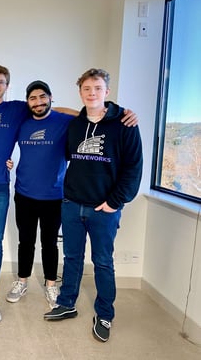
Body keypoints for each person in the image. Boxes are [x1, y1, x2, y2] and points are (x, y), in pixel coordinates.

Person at [0, 64, 80, 323]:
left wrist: (99, 110)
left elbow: (58, 111)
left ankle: (31, 287)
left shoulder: (19, 109)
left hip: (18, 189)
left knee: (12, 242)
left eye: (1, 82)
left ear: (7, 85)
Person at [43, 68, 143, 343]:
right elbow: (61, 119)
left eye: (97, 88)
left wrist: (115, 202)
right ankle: (67, 303)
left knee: (102, 262)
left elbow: (134, 168)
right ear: (81, 93)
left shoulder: (125, 125)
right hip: (72, 203)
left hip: (104, 208)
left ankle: (105, 313)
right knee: (72, 258)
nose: (92, 93)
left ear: (106, 91)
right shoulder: (76, 124)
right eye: (87, 89)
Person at [6, 80, 74, 308]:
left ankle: (51, 285)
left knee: (49, 243)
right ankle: (22, 281)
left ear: (51, 98)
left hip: (53, 196)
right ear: (28, 102)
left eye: (42, 97)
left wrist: (59, 108)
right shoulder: (22, 123)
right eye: (33, 98)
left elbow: (86, 115)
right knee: (25, 241)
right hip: (24, 193)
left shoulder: (63, 121)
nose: (38, 102)